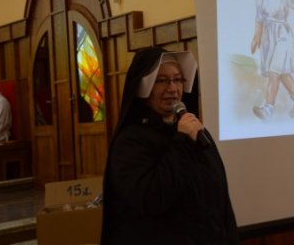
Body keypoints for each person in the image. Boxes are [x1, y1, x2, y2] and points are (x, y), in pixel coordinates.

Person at [100, 47, 238, 244]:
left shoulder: (196, 131)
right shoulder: (130, 142)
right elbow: (152, 198)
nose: (173, 88)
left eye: (178, 79)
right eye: (162, 80)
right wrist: (182, 142)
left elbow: (220, 197)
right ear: (143, 86)